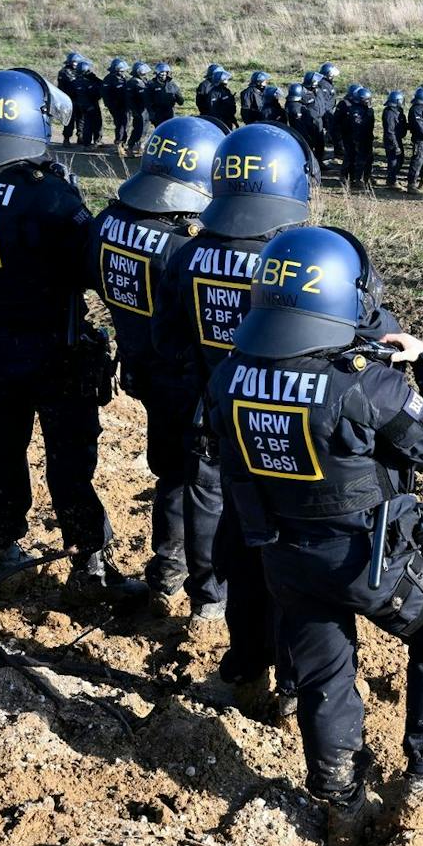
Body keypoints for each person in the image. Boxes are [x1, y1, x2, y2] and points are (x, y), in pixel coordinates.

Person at [204, 226, 423, 846]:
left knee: (326, 679)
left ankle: (342, 804)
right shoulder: (362, 381)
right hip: (365, 556)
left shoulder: (230, 374)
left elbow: (221, 454)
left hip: (284, 557)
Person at [0, 69, 145, 604]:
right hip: (55, 345)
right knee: (71, 459)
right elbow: (89, 265)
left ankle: (1, 548)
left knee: (0, 449)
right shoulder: (44, 194)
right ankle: (89, 562)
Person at [153, 123, 319, 706]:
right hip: (294, 429)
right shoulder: (302, 262)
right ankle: (297, 684)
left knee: (241, 546)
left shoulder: (189, 254)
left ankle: (232, 642)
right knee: (298, 556)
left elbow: (167, 340)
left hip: (222, 417)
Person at [87, 115, 231, 612]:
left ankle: (167, 571)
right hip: (190, 379)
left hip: (142, 369)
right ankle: (209, 597)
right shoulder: (186, 243)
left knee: (171, 473)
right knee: (207, 484)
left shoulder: (109, 221)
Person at [333, 85, 376, 189]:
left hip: (367, 137)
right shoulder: (353, 110)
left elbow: (370, 124)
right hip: (354, 137)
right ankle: (352, 178)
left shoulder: (369, 110)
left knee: (368, 158)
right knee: (353, 157)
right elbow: (354, 125)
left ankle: (366, 176)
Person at [101, 57, 132, 152]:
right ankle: (119, 142)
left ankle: (123, 142)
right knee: (120, 124)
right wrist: (111, 105)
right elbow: (105, 95)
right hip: (116, 106)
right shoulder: (108, 79)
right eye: (122, 70)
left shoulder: (124, 78)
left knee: (126, 124)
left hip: (126, 106)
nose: (123, 72)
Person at [381, 89, 407, 188]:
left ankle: (393, 179)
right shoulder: (389, 113)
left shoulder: (397, 110)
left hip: (397, 138)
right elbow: (390, 131)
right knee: (394, 161)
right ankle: (391, 181)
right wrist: (395, 146)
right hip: (392, 140)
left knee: (400, 160)